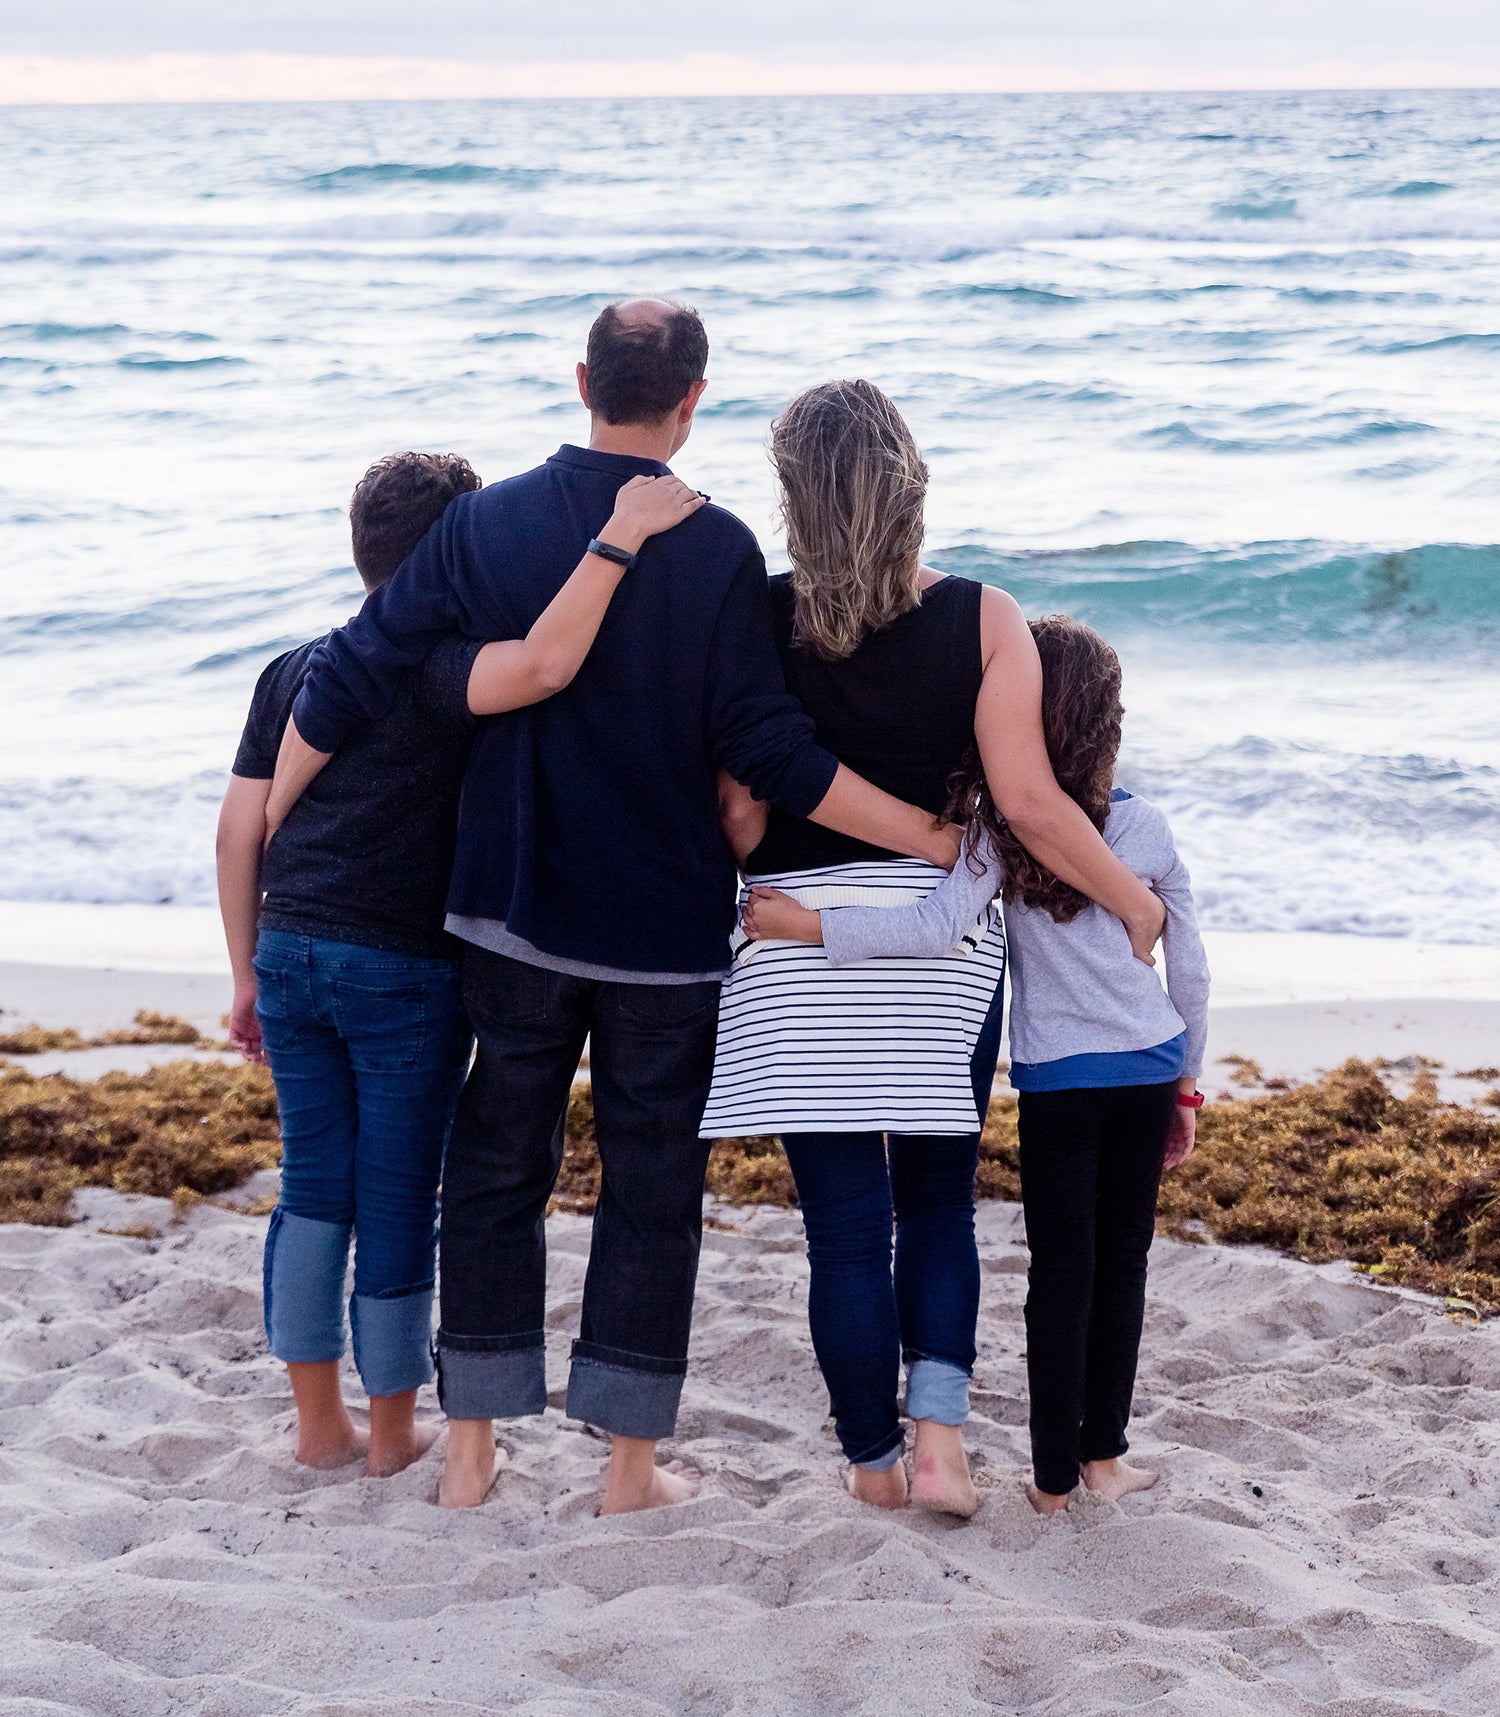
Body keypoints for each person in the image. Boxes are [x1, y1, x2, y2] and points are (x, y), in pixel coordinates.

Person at [265, 300, 963, 1515]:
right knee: (649, 1188)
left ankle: (473, 1449)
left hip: (513, 914)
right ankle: (629, 1471)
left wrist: (274, 815)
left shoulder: (486, 524)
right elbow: (771, 750)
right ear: (694, 399)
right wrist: (932, 839)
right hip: (662, 932)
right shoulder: (720, 549)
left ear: (582, 376)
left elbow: (358, 666)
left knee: (494, 1171)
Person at [701, 382, 1167, 1517]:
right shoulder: (983, 616)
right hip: (937, 949)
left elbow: (740, 822)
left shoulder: (756, 617)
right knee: (939, 1205)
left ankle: (872, 1463)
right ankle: (944, 1442)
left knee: (846, 1231)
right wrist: (1133, 907)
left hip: (794, 946)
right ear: (910, 482)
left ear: (794, 496)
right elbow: (1031, 804)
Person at [217, 449, 704, 1478]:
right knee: (395, 1197)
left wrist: (245, 975)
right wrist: (620, 540)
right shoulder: (442, 671)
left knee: (313, 1187)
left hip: (291, 952)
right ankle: (392, 1433)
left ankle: (316, 1426)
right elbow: (541, 664)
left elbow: (238, 833)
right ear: (458, 552)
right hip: (401, 972)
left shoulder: (294, 667)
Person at [745, 614, 1209, 1515]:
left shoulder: (1001, 833)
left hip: (1058, 1084)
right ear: (1110, 724)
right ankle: (1104, 1455)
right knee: (1125, 1264)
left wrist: (805, 924)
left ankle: (1049, 1483)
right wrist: (1188, 1078)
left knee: (1060, 1272)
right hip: (1149, 1068)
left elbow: (929, 929)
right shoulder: (1144, 827)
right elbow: (1188, 966)